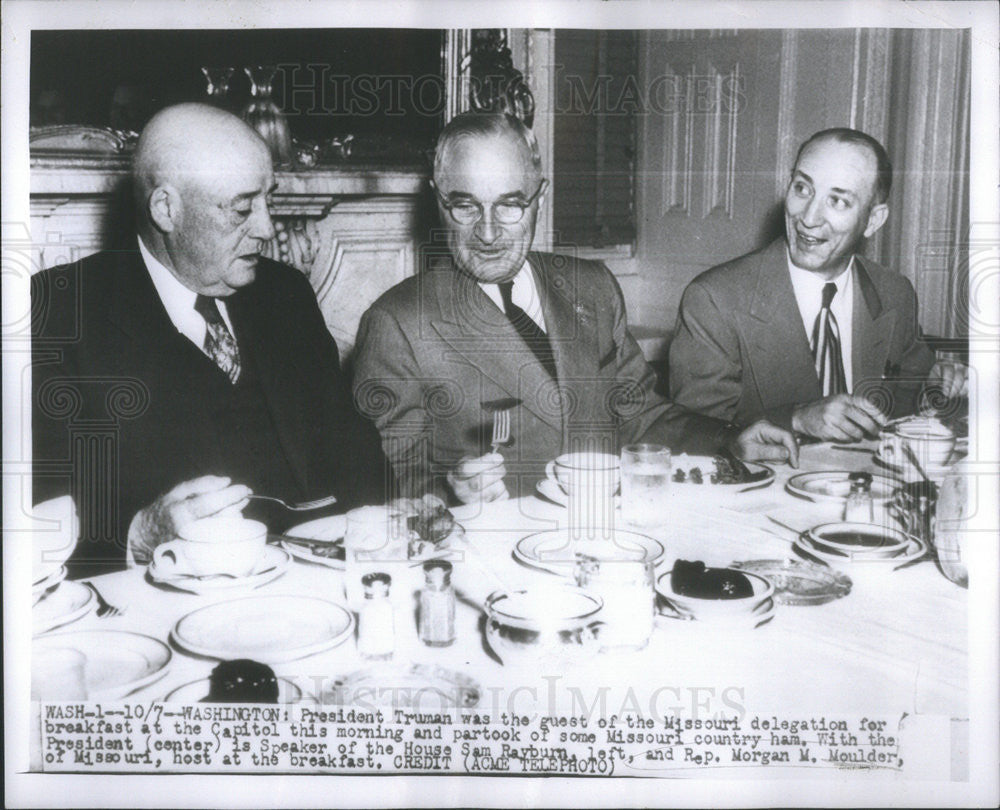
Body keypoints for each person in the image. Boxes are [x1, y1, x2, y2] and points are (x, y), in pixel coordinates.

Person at [352, 111, 797, 503]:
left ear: (539, 201)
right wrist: (450, 492)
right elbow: (388, 480)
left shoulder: (593, 288)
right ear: (438, 202)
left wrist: (729, 439)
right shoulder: (398, 324)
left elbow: (639, 413)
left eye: (510, 205)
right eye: (465, 206)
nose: (487, 233)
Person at [31, 103, 387, 577]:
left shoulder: (285, 292)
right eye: (242, 208)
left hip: (314, 585)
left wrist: (396, 514)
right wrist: (138, 534)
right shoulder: (59, 313)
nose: (265, 228)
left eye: (267, 200)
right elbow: (35, 518)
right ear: (166, 209)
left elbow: (351, 447)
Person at [669, 127, 967, 443]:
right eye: (802, 188)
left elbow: (903, 406)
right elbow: (694, 434)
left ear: (874, 220)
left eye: (837, 201)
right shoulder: (715, 300)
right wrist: (796, 418)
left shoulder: (895, 293)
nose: (809, 217)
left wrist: (932, 393)